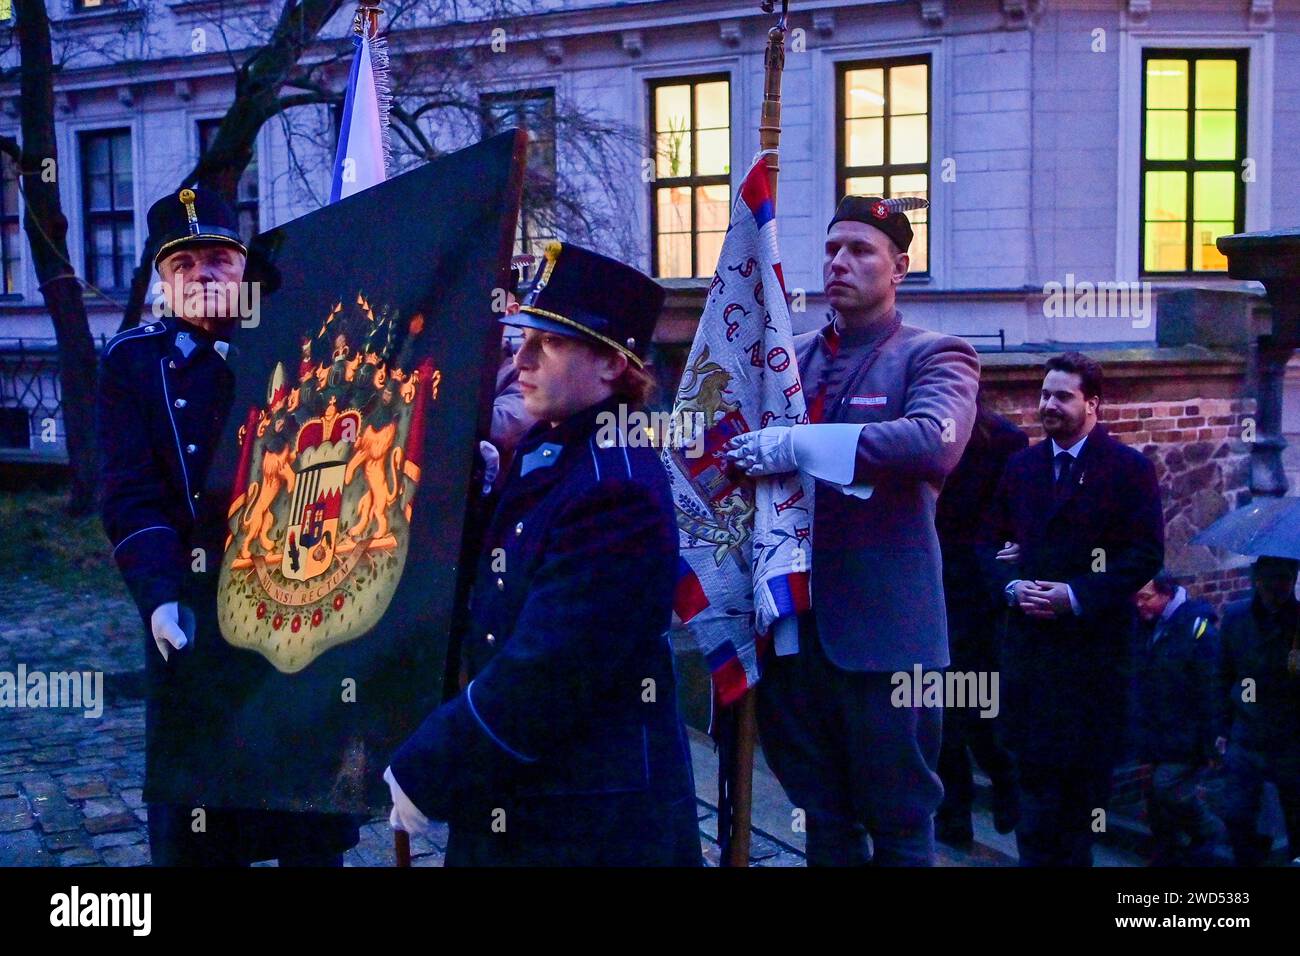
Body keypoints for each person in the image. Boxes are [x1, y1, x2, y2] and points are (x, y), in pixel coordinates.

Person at [384, 241, 701, 866]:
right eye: (523, 337)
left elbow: (551, 667)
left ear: (611, 366)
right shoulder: (554, 447)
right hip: (531, 791)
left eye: (548, 343)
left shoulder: (618, 487)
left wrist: (431, 766)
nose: (519, 358)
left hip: (586, 817)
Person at [98, 186, 360, 865]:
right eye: (183, 265)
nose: (203, 273)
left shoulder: (303, 343)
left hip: (299, 605)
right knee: (201, 822)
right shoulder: (133, 361)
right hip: (193, 609)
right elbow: (131, 493)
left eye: (218, 257)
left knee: (308, 818)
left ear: (244, 269)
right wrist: (158, 597)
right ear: (163, 282)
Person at [724, 195, 980, 866]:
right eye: (833, 248)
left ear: (899, 266)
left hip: (886, 639)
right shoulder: (789, 359)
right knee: (822, 821)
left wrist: (799, 447)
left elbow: (933, 442)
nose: (841, 261)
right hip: (791, 631)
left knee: (899, 823)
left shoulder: (936, 355)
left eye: (861, 250)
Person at [982, 351, 1164, 866]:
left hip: (1090, 667)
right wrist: (1013, 587)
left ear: (1093, 404)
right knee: (1033, 808)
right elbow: (986, 543)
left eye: (1062, 396)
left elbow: (1145, 553)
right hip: (1029, 664)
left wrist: (1077, 595)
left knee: (1078, 814)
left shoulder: (1128, 470)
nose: (1049, 405)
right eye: (1045, 395)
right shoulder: (1021, 467)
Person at [934, 398, 1027, 846]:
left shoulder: (1004, 441)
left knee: (972, 703)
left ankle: (1000, 782)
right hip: (933, 584)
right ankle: (956, 812)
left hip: (978, 591)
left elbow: (1011, 514)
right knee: (943, 706)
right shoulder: (925, 434)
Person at [1133, 572, 1226, 866]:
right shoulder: (1150, 626)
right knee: (1157, 798)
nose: (1139, 605)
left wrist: (1212, 742)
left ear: (1167, 594)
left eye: (1145, 597)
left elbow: (1210, 688)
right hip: (1158, 731)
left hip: (1185, 732)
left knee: (1167, 786)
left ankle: (1212, 832)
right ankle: (1170, 852)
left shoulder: (1196, 628)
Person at [1217, 555, 1300, 866]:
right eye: (1270, 580)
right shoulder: (1237, 616)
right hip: (1247, 733)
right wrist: (1224, 727)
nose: (1276, 588)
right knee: (1238, 815)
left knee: (1295, 815)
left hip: (1291, 737)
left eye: (1284, 580)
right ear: (1257, 580)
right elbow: (1223, 673)